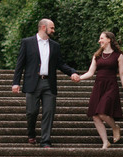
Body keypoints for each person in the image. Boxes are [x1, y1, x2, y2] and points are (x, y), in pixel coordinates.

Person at [11, 18, 80, 148]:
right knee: (31, 112)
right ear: (43, 27)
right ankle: (31, 133)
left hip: (49, 83)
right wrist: (16, 83)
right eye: (52, 28)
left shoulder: (55, 45)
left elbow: (60, 64)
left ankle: (45, 140)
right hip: (32, 82)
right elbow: (20, 64)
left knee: (49, 111)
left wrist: (72, 72)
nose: (53, 30)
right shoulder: (27, 42)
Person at [78, 31, 123, 149]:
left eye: (101, 38)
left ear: (109, 40)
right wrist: (79, 78)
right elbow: (90, 73)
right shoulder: (97, 56)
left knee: (102, 112)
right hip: (99, 86)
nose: (99, 41)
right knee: (95, 116)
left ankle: (115, 127)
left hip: (111, 86)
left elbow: (122, 74)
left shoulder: (118, 55)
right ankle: (105, 141)